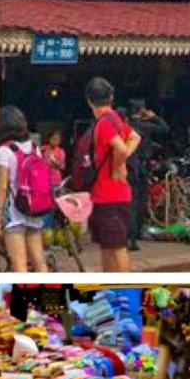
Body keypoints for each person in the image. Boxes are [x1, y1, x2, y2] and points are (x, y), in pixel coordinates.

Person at [74, 78, 140, 272]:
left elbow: (120, 147)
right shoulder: (115, 120)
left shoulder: (104, 123)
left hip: (109, 194)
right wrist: (122, 158)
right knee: (108, 247)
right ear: (111, 97)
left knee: (117, 249)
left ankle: (125, 292)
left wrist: (118, 164)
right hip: (113, 194)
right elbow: (135, 137)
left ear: (89, 101)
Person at [0, 105, 49, 274]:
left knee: (19, 265)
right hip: (34, 209)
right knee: (40, 263)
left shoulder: (5, 150)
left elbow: (3, 187)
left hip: (15, 214)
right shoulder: (34, 147)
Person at [127, 98, 170, 250]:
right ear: (142, 111)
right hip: (142, 167)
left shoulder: (126, 126)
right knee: (139, 202)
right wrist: (154, 117)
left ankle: (131, 236)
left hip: (128, 167)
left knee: (132, 202)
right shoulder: (145, 126)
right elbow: (165, 129)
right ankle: (134, 236)